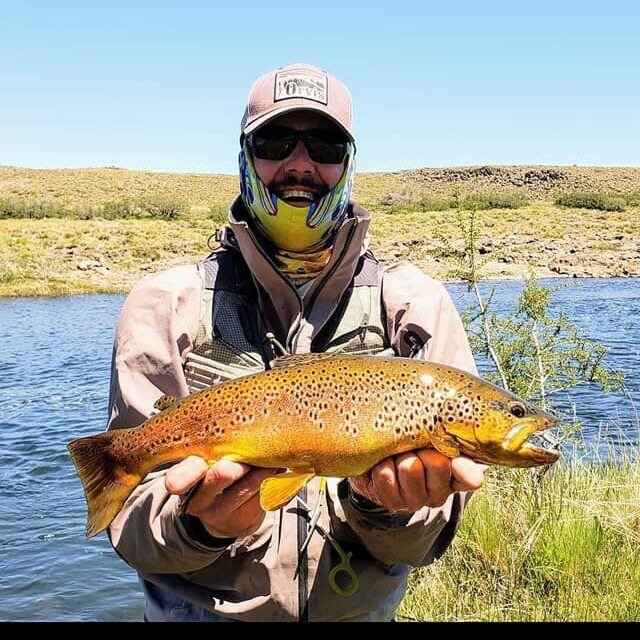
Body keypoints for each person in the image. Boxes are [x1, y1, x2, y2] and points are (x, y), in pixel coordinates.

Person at [106, 62, 486, 622]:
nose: (301, 164)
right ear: (244, 155)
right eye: (276, 141)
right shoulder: (165, 305)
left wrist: (384, 509)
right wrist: (198, 525)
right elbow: (131, 533)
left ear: (349, 163)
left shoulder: (416, 307)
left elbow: (421, 548)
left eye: (327, 145)